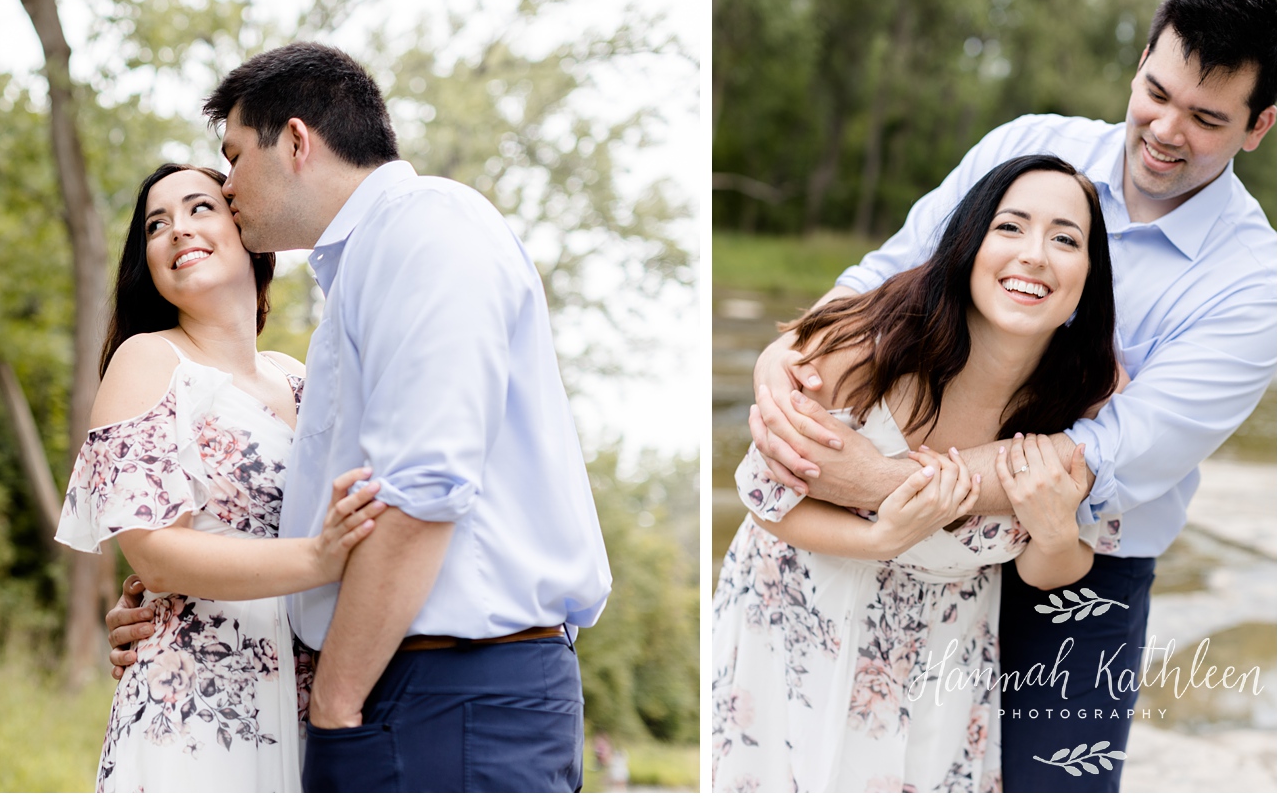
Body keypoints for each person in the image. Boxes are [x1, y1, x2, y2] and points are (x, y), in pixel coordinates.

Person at [747, 0, 1276, 791]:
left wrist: (885, 482)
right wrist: (781, 366)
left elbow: (1100, 453)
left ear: (1259, 127)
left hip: (1077, 564)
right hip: (891, 560)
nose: (1166, 130)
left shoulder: (1253, 287)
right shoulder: (1023, 149)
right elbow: (888, 275)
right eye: (1155, 93)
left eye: (1206, 118)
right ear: (1138, 63)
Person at [108, 42, 613, 791]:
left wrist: (337, 706)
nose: (230, 182)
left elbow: (422, 486)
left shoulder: (426, 232)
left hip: (447, 690)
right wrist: (167, 599)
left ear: (298, 141)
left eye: (234, 157)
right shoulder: (360, 272)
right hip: (385, 689)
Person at [712, 154, 1122, 791]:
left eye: (1065, 239)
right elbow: (765, 500)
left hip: (943, 668)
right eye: (1009, 227)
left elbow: (1057, 570)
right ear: (968, 246)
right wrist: (878, 537)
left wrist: (1055, 534)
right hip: (797, 631)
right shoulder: (866, 346)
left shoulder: (1091, 399)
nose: (1035, 255)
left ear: (1089, 277)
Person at [55, 163, 388, 792]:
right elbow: (153, 555)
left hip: (310, 698)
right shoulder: (150, 358)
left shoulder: (299, 376)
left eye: (199, 208)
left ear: (245, 231)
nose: (178, 229)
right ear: (147, 262)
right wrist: (321, 558)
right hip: (198, 708)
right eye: (157, 224)